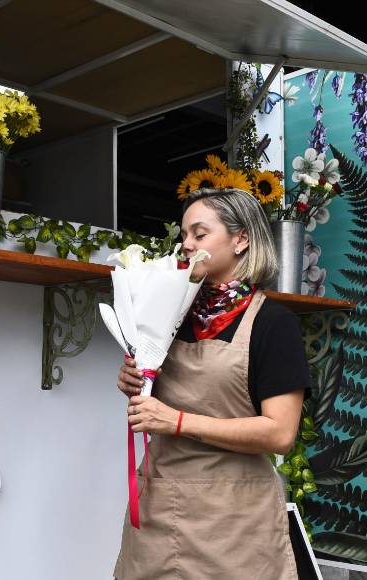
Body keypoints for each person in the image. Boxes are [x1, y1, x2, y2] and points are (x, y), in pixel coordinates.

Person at [113, 187, 308, 579]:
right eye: (184, 234)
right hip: (160, 509)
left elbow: (280, 433)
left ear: (241, 239)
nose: (187, 244)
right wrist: (136, 380)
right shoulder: (168, 315)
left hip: (234, 524)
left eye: (199, 234)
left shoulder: (273, 324)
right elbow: (154, 406)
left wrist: (177, 421)